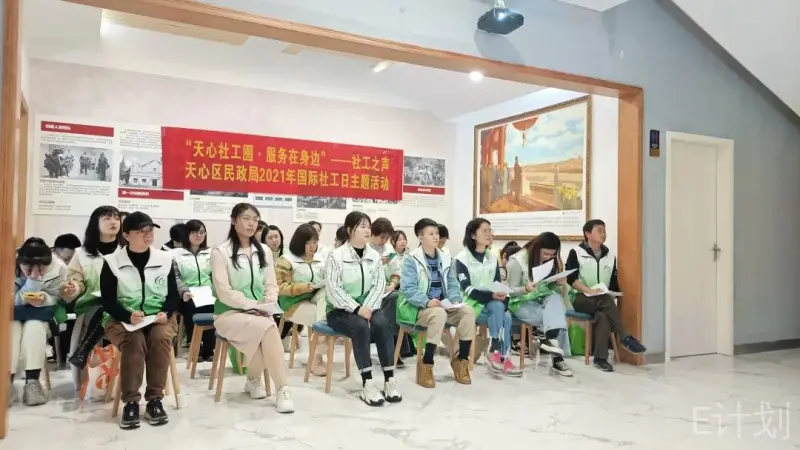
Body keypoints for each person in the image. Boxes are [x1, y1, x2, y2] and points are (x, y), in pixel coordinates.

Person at [100, 212, 180, 429]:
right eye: (141, 231)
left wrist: (165, 312)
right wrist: (128, 316)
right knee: (134, 340)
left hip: (158, 318)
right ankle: (131, 402)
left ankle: (155, 400)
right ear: (126, 235)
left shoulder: (165, 259)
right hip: (121, 319)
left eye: (150, 230)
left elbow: (174, 295)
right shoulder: (112, 262)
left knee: (160, 337)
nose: (148, 235)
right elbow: (107, 301)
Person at [211, 203, 293, 413]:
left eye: (255, 220)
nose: (251, 224)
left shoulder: (263, 250)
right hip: (229, 313)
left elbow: (271, 284)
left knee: (266, 329)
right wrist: (251, 305)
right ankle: (282, 388)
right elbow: (224, 291)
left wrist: (268, 301)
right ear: (233, 220)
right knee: (269, 328)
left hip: (260, 312)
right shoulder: (221, 252)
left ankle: (254, 379)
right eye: (246, 218)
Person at [325, 211, 401, 406]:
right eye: (362, 226)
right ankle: (367, 383)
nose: (367, 230)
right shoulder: (336, 256)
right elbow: (334, 290)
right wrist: (357, 308)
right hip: (339, 310)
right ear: (350, 230)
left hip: (368, 306)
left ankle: (389, 380)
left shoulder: (374, 256)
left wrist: (368, 307)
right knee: (359, 326)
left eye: (368, 226)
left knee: (382, 324)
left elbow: (378, 285)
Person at [398, 218, 475, 388]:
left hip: (443, 305)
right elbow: (409, 289)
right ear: (420, 237)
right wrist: (426, 301)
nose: (436, 237)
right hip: (417, 307)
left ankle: (461, 360)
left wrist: (455, 299)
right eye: (431, 233)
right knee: (438, 313)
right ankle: (427, 363)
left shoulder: (446, 258)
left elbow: (453, 284)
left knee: (468, 311)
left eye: (437, 233)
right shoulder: (411, 259)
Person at [567, 219, 646, 372]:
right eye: (599, 230)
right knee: (604, 300)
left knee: (603, 316)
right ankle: (624, 336)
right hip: (580, 298)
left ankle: (600, 358)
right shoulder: (576, 253)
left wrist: (614, 293)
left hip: (601, 300)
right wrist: (589, 291)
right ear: (587, 233)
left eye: (604, 231)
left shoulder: (610, 255)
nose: (603, 234)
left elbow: (613, 282)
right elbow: (571, 279)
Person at [61, 206, 122, 387]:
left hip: (123, 301)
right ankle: (92, 374)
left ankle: (83, 351)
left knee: (110, 307)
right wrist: (73, 287)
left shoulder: (127, 250)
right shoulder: (81, 253)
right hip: (91, 303)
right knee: (103, 307)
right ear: (95, 224)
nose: (113, 222)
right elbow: (75, 279)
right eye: (107, 218)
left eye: (116, 218)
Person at [455, 218, 521, 377]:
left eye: (490, 230)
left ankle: (499, 355)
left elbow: (497, 284)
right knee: (500, 311)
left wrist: (502, 294)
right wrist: (491, 295)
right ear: (473, 235)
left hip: (491, 305)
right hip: (470, 306)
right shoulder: (461, 259)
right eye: (484, 231)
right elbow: (467, 289)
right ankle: (498, 353)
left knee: (505, 314)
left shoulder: (492, 257)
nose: (489, 234)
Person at [506, 232, 572, 377]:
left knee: (555, 298)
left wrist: (557, 283)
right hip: (520, 302)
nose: (548, 258)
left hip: (541, 299)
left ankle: (550, 340)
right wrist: (525, 289)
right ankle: (557, 358)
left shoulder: (550, 261)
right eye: (546, 254)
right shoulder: (517, 261)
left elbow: (548, 288)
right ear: (536, 249)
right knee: (557, 315)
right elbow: (509, 291)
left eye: (552, 255)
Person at [11, 238, 67, 406]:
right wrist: (33, 283)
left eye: (42, 267)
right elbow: (7, 298)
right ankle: (6, 382)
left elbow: (59, 298)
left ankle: (32, 382)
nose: (35, 271)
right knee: (10, 330)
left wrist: (45, 298)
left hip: (41, 315)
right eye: (28, 268)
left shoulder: (59, 267)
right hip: (11, 313)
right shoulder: (7, 262)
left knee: (34, 328)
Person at [275, 224, 328, 376]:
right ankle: (316, 359)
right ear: (299, 242)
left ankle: (317, 353)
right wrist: (303, 287)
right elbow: (280, 287)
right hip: (293, 303)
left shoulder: (320, 258)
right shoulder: (286, 260)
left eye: (315, 242)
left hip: (315, 297)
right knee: (326, 321)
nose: (312, 246)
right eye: (308, 243)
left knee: (331, 310)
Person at [173, 219, 216, 362]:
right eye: (195, 232)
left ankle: (209, 348)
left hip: (208, 292)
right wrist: (184, 291)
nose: (199, 235)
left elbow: (215, 275)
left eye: (202, 232)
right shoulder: (176, 254)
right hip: (187, 293)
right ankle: (195, 347)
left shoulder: (211, 253)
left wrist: (215, 290)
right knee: (191, 307)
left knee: (212, 306)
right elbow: (176, 277)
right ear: (187, 234)